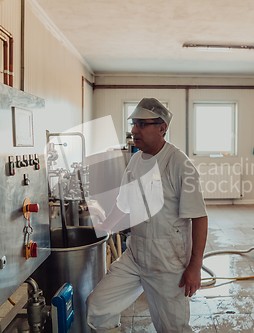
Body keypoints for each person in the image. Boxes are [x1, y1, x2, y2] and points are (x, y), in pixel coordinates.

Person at [86, 98, 208, 333]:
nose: (134, 130)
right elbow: (124, 203)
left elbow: (199, 218)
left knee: (171, 328)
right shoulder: (134, 161)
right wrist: (105, 227)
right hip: (136, 256)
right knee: (98, 306)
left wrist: (195, 265)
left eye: (142, 124)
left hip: (168, 261)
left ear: (162, 128)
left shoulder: (180, 164)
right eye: (133, 123)